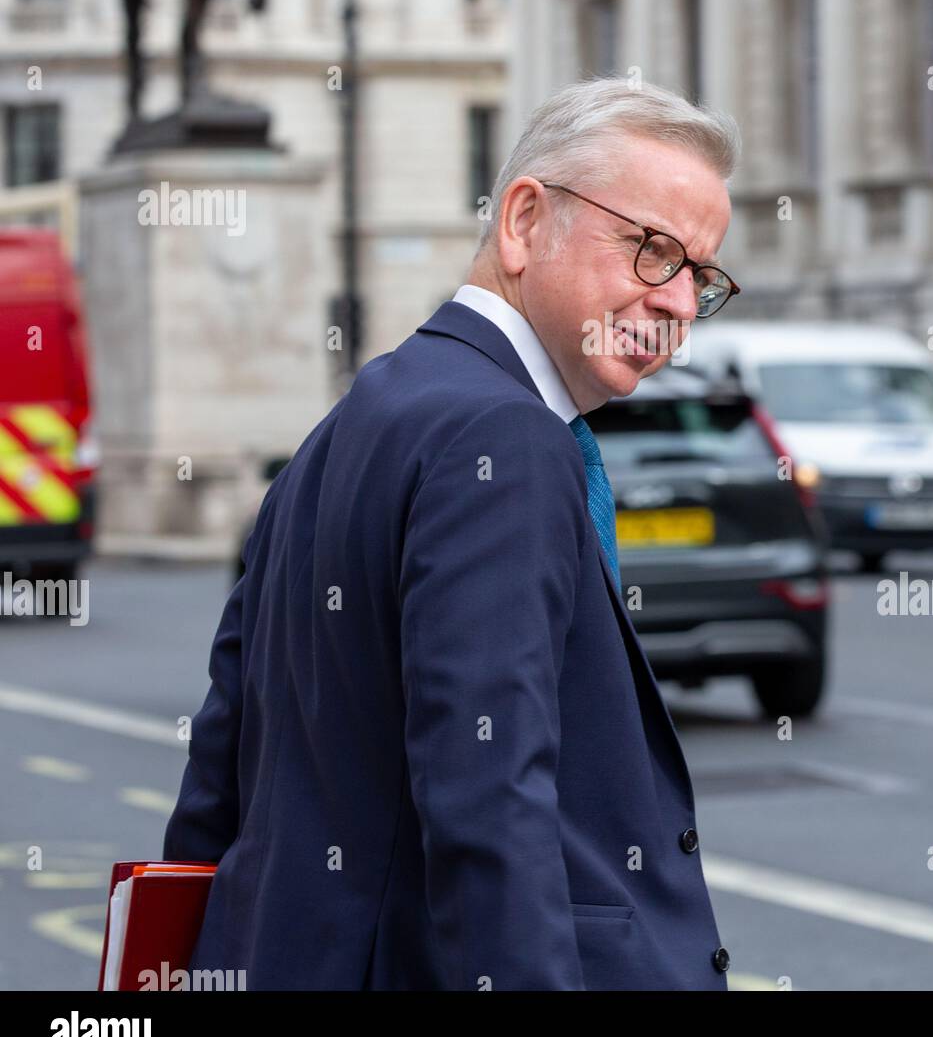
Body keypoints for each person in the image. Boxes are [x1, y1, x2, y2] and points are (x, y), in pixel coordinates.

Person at [163, 77, 744, 989]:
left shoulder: (352, 421)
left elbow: (221, 763)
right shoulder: (503, 439)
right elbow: (489, 803)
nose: (677, 302)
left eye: (699, 277)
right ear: (523, 222)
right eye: (652, 251)